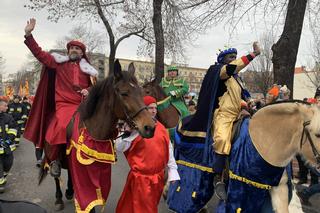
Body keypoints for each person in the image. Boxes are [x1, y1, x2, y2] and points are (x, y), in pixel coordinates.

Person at [23, 18, 98, 178]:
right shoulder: (58, 63)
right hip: (64, 104)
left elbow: (95, 88)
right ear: (68, 50)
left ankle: (102, 153)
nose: (74, 50)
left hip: (83, 105)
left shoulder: (88, 70)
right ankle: (55, 158)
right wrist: (29, 35)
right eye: (72, 48)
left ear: (82, 52)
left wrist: (88, 90)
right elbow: (40, 54)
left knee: (100, 124)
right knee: (62, 126)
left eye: (77, 49)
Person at [212, 42, 261, 199]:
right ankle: (218, 177)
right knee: (222, 139)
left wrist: (249, 105)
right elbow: (234, 67)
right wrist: (253, 55)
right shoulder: (221, 71)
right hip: (223, 115)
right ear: (223, 60)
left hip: (238, 114)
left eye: (235, 57)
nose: (233, 59)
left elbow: (241, 97)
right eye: (230, 57)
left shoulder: (238, 79)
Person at [115, 96, 180, 213]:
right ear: (143, 109)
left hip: (158, 179)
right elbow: (120, 147)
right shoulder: (136, 128)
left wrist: (173, 172)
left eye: (155, 108)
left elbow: (168, 150)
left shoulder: (161, 128)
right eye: (150, 108)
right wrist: (127, 133)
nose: (154, 110)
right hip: (141, 180)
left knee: (144, 207)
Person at [0, 100, 17, 193]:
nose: (7, 108)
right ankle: (1, 183)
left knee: (8, 163)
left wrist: (8, 140)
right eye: (5, 106)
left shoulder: (8, 117)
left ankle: (3, 175)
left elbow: (14, 128)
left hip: (7, 148)